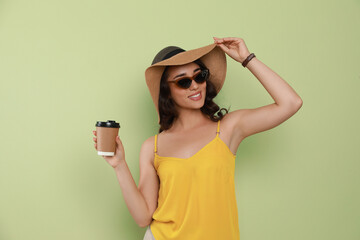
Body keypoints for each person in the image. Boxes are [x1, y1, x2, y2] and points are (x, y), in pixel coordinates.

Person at [92, 37, 303, 240]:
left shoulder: (228, 128)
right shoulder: (153, 147)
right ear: (167, 92)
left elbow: (291, 103)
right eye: (183, 82)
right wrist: (119, 165)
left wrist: (247, 58)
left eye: (199, 76)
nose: (194, 85)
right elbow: (143, 217)